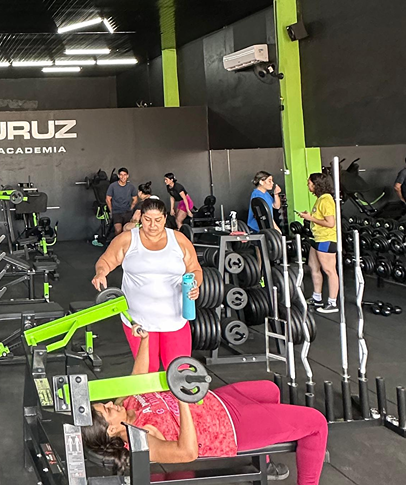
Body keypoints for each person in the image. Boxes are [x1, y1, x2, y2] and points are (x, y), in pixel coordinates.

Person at [81, 336, 327, 484]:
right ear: (111, 430)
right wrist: (182, 400)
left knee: (270, 390)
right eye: (107, 410)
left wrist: (144, 339)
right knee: (316, 423)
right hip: (229, 428)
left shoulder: (124, 404)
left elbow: (138, 375)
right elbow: (187, 452)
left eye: (105, 404)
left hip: (219, 400)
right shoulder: (141, 438)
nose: (110, 404)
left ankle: (266, 460)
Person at [92, 198, 202, 369]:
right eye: (147, 219)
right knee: (147, 373)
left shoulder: (179, 240)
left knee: (179, 372)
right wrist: (100, 273)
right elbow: (105, 261)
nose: (152, 225)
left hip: (175, 318)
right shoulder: (128, 239)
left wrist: (195, 284)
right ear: (140, 217)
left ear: (165, 218)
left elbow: (195, 270)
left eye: (157, 220)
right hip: (138, 320)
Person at [298, 173, 339, 314]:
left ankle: (332, 303)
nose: (308, 185)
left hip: (326, 239)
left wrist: (310, 218)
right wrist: (309, 216)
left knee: (329, 270)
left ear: (317, 185)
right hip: (317, 238)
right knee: (313, 267)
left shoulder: (326, 200)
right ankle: (317, 298)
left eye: (309, 183)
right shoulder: (320, 199)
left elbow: (330, 223)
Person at [106, 168, 138, 237]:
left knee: (127, 231)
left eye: (125, 175)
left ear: (127, 176)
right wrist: (111, 210)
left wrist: (130, 208)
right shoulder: (113, 186)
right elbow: (108, 199)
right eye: (121, 175)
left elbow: (135, 199)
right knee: (118, 230)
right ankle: (117, 243)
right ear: (118, 176)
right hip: (116, 212)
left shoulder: (131, 187)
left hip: (127, 212)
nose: (123, 177)